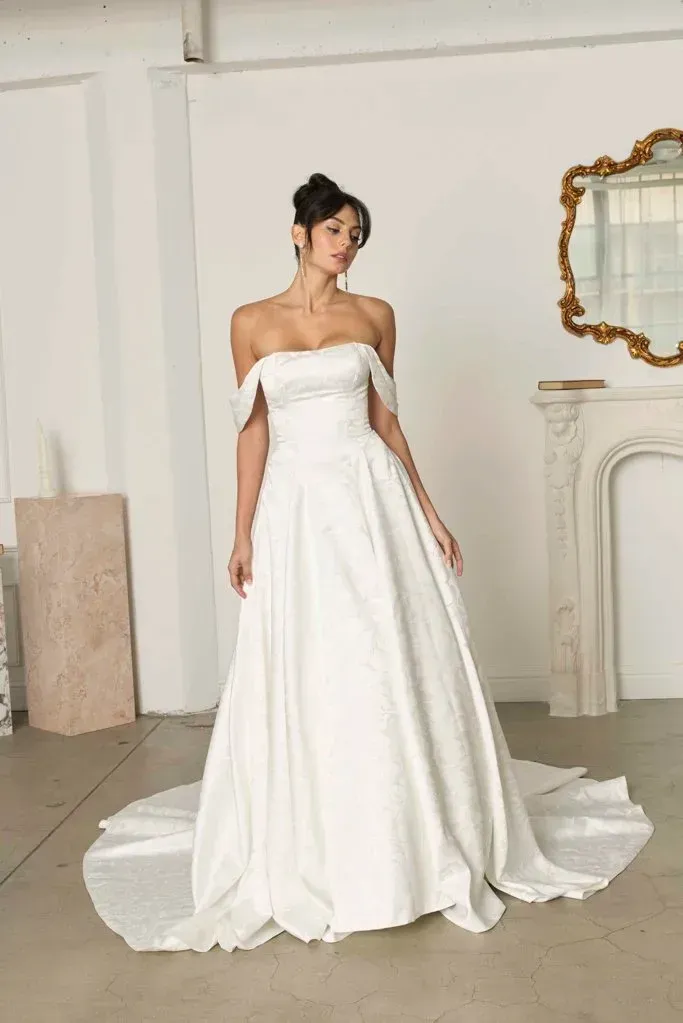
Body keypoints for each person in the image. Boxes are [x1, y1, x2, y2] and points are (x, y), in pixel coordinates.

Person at [83, 173, 653, 953]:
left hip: (368, 494)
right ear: (299, 233)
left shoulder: (375, 315)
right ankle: (317, 831)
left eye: (355, 233)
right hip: (295, 506)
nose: (346, 244)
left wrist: (429, 510)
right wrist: (243, 530)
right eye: (334, 231)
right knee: (313, 654)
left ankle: (412, 828)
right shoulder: (249, 322)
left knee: (383, 651)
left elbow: (387, 420)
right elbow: (252, 433)